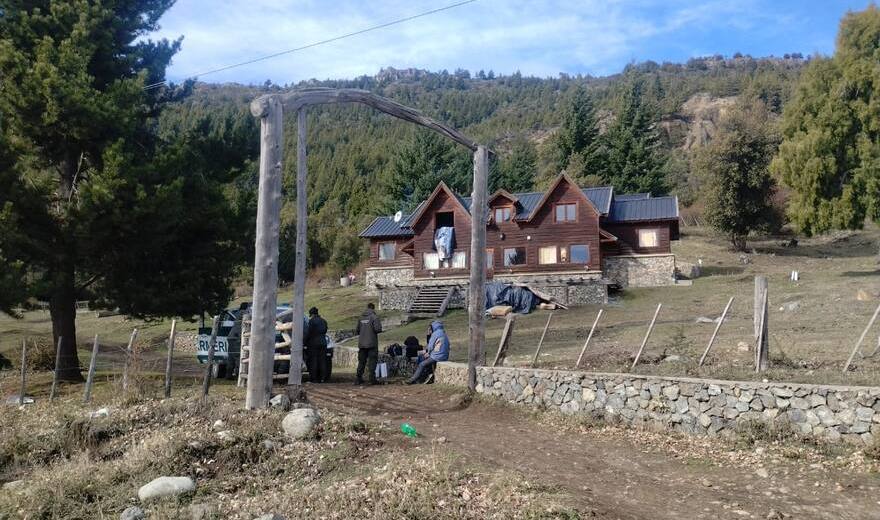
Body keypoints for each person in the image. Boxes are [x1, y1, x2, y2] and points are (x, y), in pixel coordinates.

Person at [407, 320, 449, 384]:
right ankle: (421, 376)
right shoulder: (443, 333)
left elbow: (430, 346)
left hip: (437, 356)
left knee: (421, 364)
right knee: (423, 358)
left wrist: (428, 353)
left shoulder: (435, 334)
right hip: (444, 356)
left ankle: (412, 380)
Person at [355, 302, 382, 385]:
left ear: (367, 308)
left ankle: (358, 378)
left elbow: (357, 330)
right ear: (373, 308)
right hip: (372, 343)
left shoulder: (360, 317)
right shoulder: (374, 317)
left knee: (361, 361)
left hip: (362, 344)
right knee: (372, 361)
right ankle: (372, 379)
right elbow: (378, 329)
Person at [305, 307, 329, 383]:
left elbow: (309, 332)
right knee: (322, 360)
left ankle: (314, 378)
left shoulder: (311, 321)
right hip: (323, 342)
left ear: (312, 314)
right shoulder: (324, 321)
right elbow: (325, 330)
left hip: (313, 343)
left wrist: (305, 341)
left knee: (313, 360)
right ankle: (322, 378)